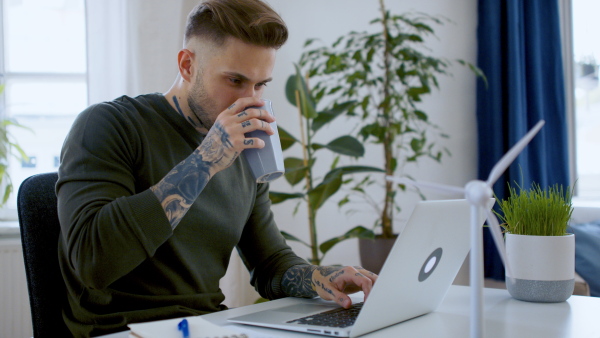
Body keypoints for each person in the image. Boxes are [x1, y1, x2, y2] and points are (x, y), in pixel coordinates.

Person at [56, 0, 377, 336]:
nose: (249, 100)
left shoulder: (244, 149)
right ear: (187, 65)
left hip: (204, 325)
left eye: (260, 84)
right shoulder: (109, 125)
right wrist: (206, 159)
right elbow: (92, 261)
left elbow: (269, 263)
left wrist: (321, 278)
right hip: (118, 329)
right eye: (235, 80)